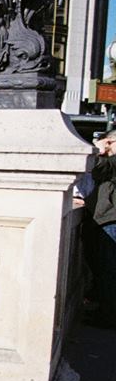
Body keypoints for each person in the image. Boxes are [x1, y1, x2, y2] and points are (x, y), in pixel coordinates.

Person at [84, 129, 116, 329]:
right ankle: (105, 313)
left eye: (111, 142)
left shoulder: (113, 163)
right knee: (105, 271)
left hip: (110, 221)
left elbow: (96, 167)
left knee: (109, 272)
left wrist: (98, 149)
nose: (109, 147)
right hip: (107, 220)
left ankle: (108, 317)